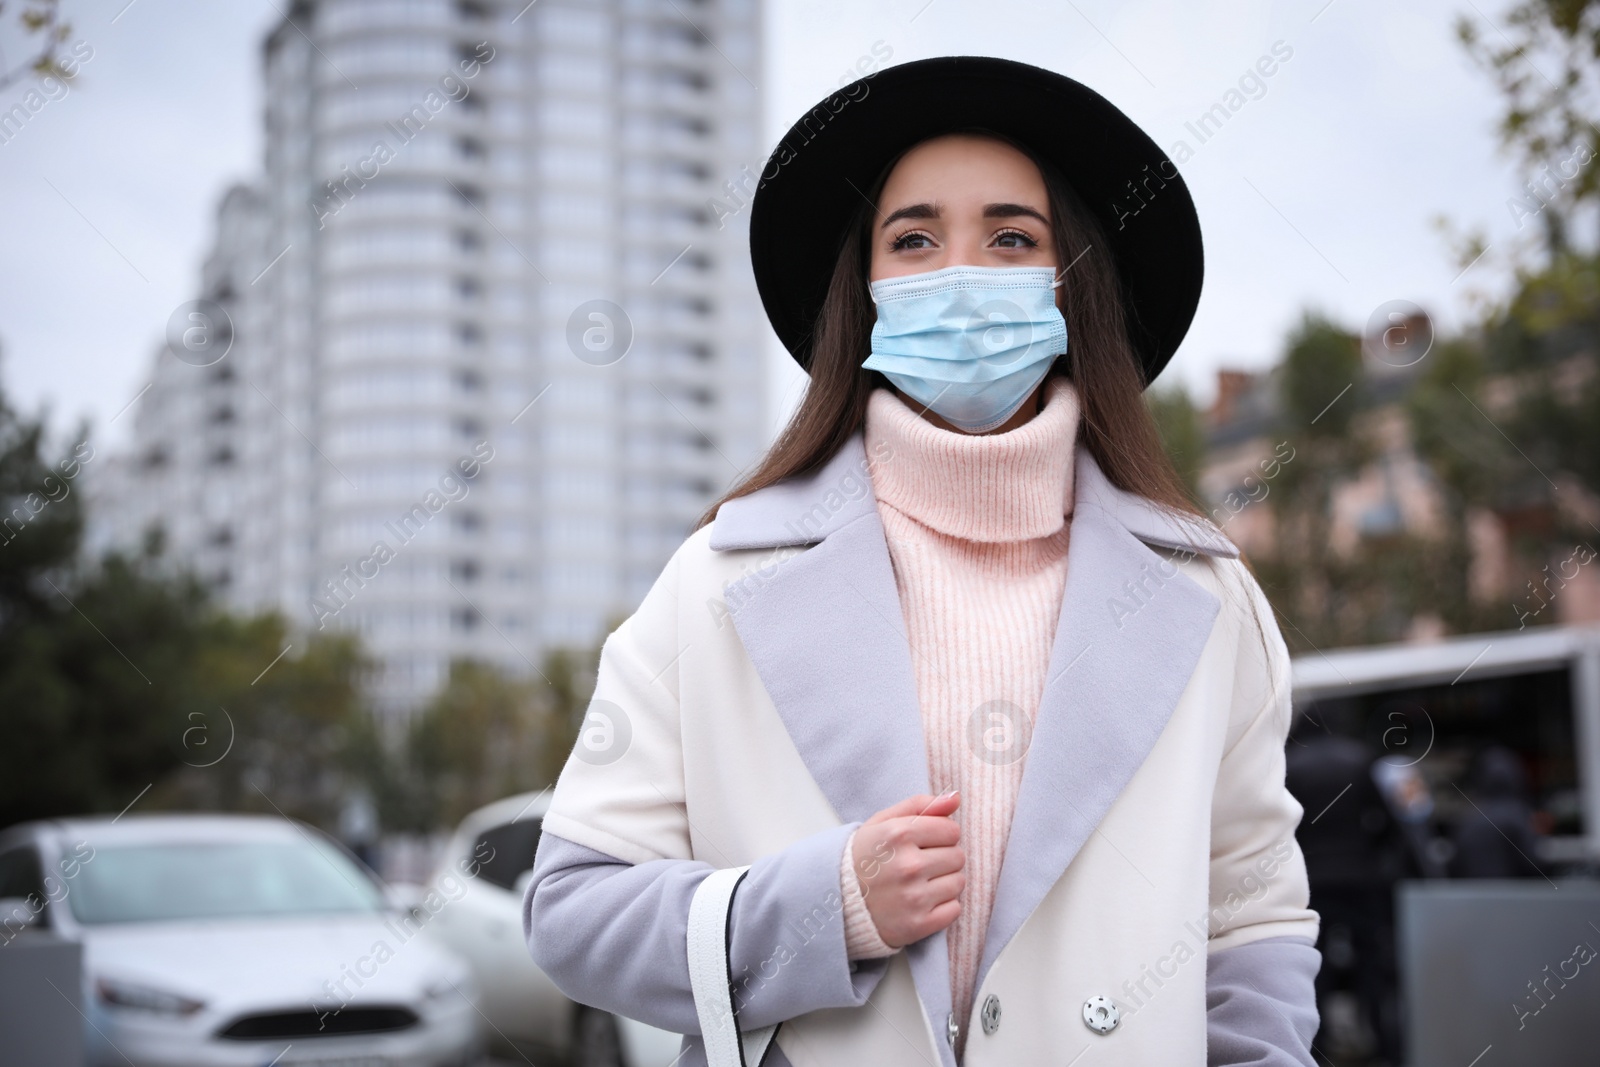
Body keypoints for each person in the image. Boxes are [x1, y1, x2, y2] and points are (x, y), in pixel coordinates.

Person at [522, 56, 1321, 1067]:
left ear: (1073, 281)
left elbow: (1252, 922)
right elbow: (572, 906)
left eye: (1011, 237)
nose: (963, 271)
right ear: (863, 289)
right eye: (913, 239)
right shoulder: (712, 582)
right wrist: (828, 906)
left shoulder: (1211, 597)